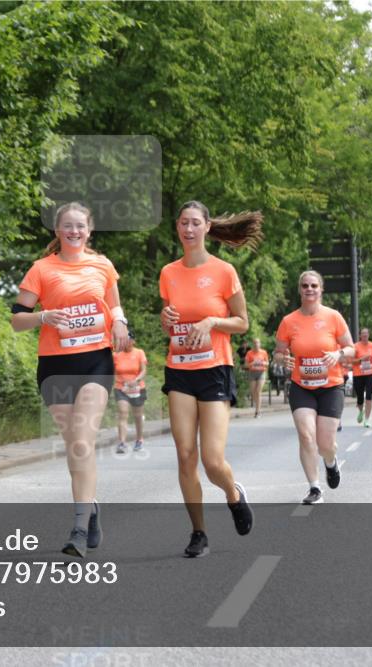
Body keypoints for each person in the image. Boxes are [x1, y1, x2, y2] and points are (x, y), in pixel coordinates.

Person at [11, 202, 129, 558]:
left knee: (82, 441)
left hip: (95, 361)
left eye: (80, 226)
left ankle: (78, 527)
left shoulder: (103, 265)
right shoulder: (42, 269)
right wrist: (44, 316)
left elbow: (115, 305)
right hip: (55, 365)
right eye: (67, 226)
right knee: (73, 445)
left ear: (89, 231)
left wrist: (121, 323)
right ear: (57, 231)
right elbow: (18, 319)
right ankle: (90, 506)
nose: (74, 231)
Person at [159, 201, 261, 557]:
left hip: (215, 369)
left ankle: (233, 495)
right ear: (178, 227)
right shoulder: (169, 273)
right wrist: (166, 319)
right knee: (185, 455)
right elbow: (169, 321)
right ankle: (198, 532)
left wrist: (212, 322)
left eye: (195, 223)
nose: (188, 229)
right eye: (183, 223)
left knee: (212, 459)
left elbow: (242, 322)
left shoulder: (223, 271)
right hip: (180, 370)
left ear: (206, 227)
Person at [273, 270, 354, 505]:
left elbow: (351, 348)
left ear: (321, 290)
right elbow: (278, 352)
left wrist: (338, 354)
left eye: (314, 286)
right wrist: (281, 359)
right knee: (306, 436)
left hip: (331, 387)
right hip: (302, 387)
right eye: (305, 286)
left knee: (325, 444)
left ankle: (330, 462)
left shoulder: (334, 317)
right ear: (299, 290)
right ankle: (315, 488)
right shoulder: (289, 321)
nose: (309, 289)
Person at [113, 330, 148, 454]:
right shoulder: (116, 354)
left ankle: (139, 440)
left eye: (129, 340)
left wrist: (136, 379)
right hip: (121, 388)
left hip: (137, 388)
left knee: (137, 416)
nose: (127, 342)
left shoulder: (139, 353)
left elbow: (144, 370)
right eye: (124, 340)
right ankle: (122, 442)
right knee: (123, 413)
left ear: (133, 341)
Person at [351, 328, 372, 428]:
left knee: (369, 395)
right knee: (360, 398)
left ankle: (367, 420)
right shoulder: (355, 346)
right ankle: (361, 411)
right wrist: (362, 359)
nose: (365, 335)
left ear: (369, 335)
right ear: (360, 336)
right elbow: (352, 361)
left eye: (366, 334)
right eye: (363, 334)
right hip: (358, 374)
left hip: (371, 372)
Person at [244, 338, 270, 418]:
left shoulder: (263, 352)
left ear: (260, 344)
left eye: (258, 343)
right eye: (255, 343)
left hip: (261, 373)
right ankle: (257, 405)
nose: (256, 344)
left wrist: (263, 362)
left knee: (258, 391)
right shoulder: (249, 353)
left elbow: (267, 363)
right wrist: (252, 363)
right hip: (252, 373)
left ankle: (257, 411)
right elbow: (246, 365)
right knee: (253, 392)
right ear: (253, 344)